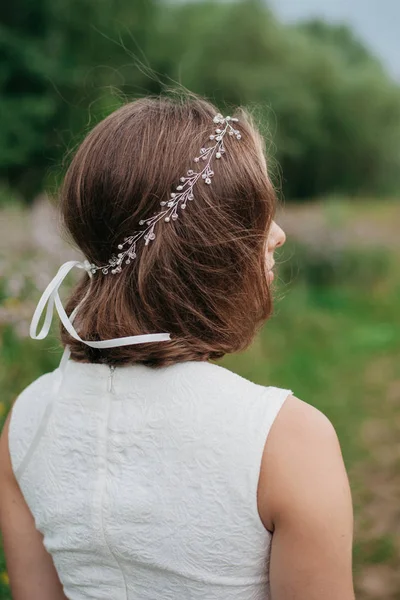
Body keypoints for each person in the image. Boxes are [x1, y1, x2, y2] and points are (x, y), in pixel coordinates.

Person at [0, 94, 355, 599]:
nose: (276, 235)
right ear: (209, 244)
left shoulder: (27, 420)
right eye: (257, 214)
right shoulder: (286, 439)